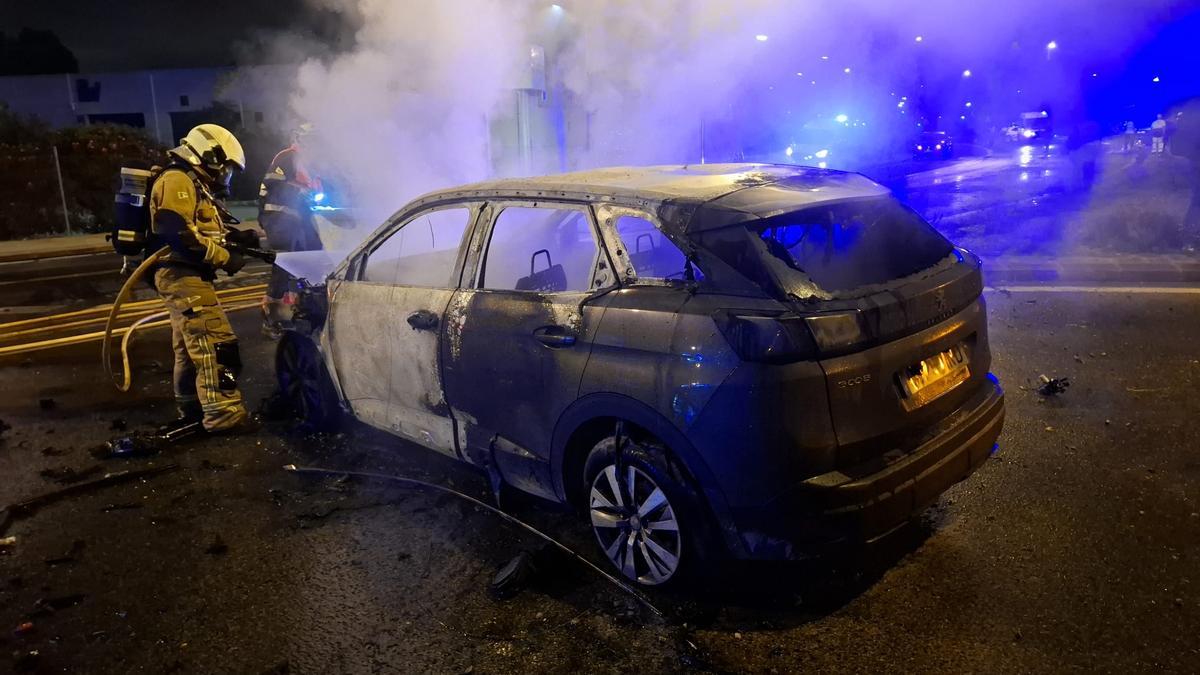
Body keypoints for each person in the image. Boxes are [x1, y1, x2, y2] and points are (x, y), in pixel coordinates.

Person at [150, 124, 253, 436]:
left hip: (185, 275)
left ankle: (192, 410)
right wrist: (225, 258)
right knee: (214, 342)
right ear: (210, 156)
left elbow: (199, 229)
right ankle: (223, 415)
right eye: (227, 170)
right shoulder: (177, 178)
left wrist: (239, 240)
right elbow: (177, 232)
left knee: (188, 346)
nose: (226, 177)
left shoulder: (191, 182)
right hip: (183, 276)